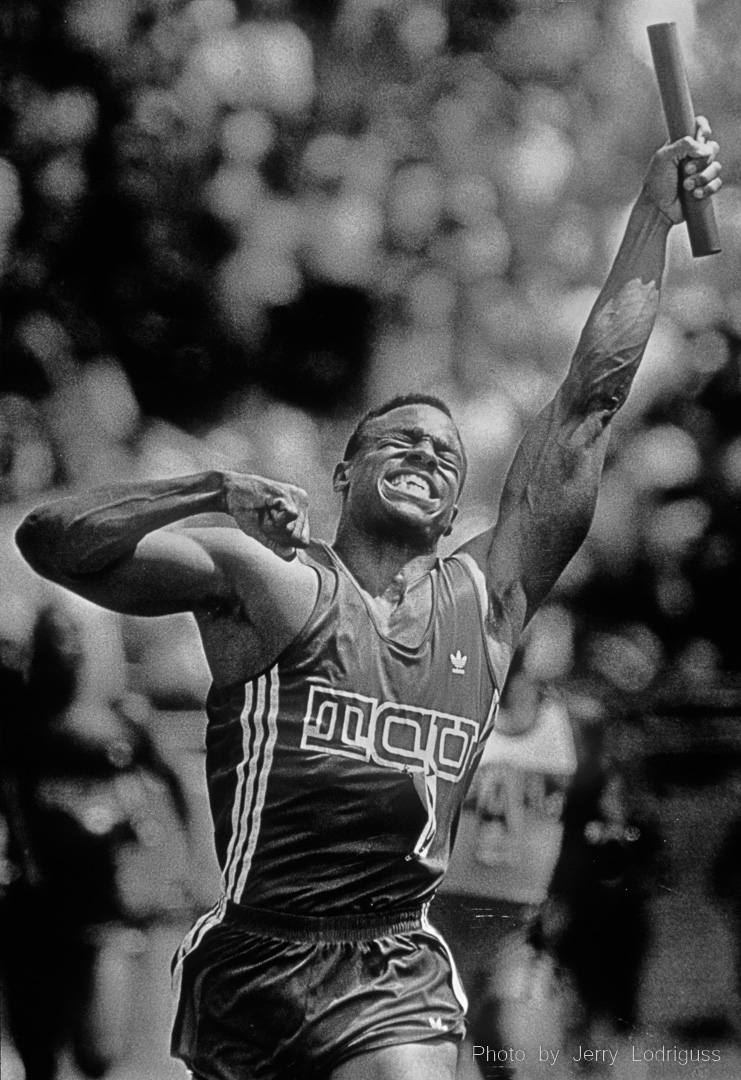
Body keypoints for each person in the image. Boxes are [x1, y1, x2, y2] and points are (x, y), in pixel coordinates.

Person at [13, 123, 722, 1080]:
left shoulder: (489, 597)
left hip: (392, 959)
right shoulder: (269, 580)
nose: (426, 454)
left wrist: (650, 217)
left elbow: (586, 405)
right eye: (400, 440)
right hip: (255, 959)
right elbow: (51, 544)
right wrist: (203, 490)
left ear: (453, 510)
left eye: (446, 454)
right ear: (344, 475)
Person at [0, 601, 191, 1080]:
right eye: (53, 637)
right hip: (32, 907)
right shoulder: (18, 724)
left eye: (73, 637)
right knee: (38, 1055)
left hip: (105, 907)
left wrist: (170, 868)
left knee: (99, 1052)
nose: (64, 648)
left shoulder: (125, 720)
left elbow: (175, 794)